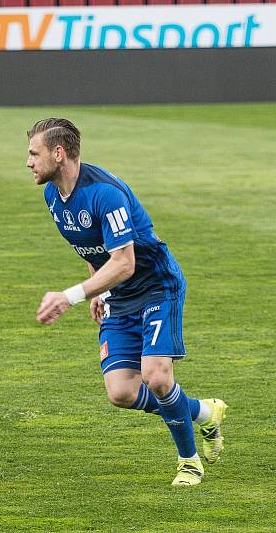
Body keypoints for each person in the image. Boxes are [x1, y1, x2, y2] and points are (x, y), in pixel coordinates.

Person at [26, 118, 227, 486]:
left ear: (59, 152)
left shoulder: (106, 192)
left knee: (156, 377)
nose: (28, 162)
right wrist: (99, 289)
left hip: (156, 286)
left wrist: (71, 295)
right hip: (119, 295)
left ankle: (189, 461)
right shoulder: (53, 195)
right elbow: (92, 247)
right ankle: (203, 412)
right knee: (121, 392)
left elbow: (125, 261)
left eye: (34, 153)